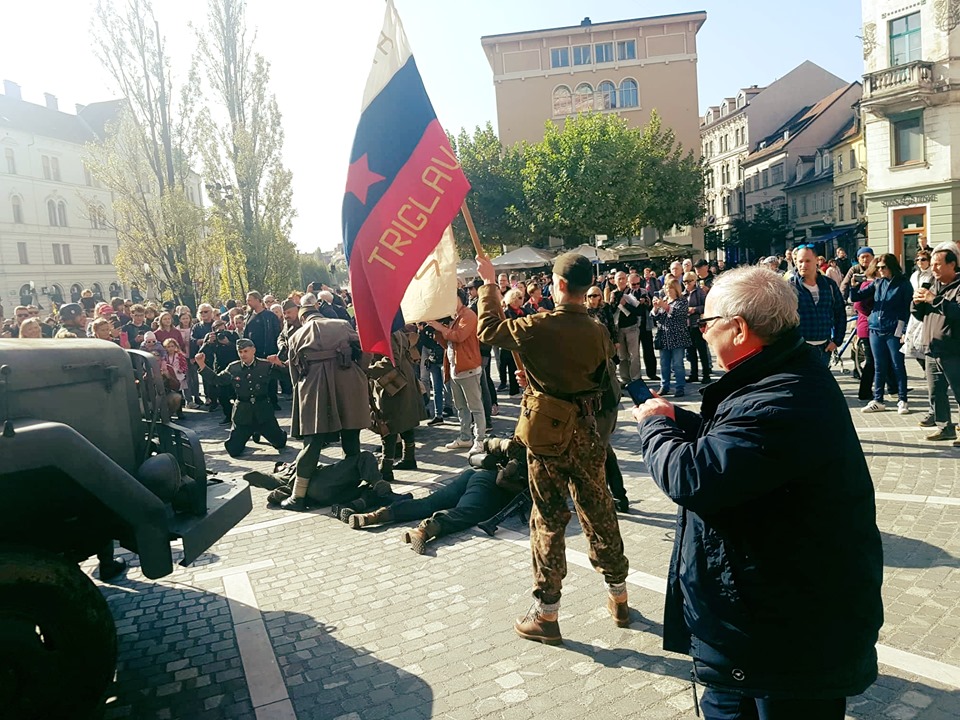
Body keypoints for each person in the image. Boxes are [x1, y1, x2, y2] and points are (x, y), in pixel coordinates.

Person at [633, 266, 883, 718]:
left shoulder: (783, 393)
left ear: (739, 328)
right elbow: (738, 448)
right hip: (755, 628)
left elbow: (695, 476)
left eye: (706, 324)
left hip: (788, 641)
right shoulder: (777, 373)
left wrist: (653, 425)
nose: (703, 334)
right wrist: (681, 420)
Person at [476, 251, 630, 644]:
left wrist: (490, 284)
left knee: (547, 520)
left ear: (558, 285)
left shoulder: (538, 326)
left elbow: (488, 329)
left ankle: (547, 615)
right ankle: (619, 596)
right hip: (589, 432)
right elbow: (607, 384)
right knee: (599, 509)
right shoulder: (597, 329)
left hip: (547, 435)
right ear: (583, 287)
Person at [345, 439, 527, 554]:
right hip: (491, 483)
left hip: (474, 472)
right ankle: (425, 529)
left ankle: (377, 515)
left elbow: (489, 443)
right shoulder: (540, 451)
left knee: (429, 503)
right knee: (466, 512)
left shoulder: (521, 437)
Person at [283, 306, 371, 510]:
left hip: (314, 389)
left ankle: (298, 496)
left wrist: (302, 391)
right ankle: (350, 485)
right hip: (347, 383)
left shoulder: (296, 336)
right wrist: (361, 370)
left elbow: (294, 375)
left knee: (312, 443)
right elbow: (365, 348)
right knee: (351, 437)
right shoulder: (342, 325)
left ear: (303, 317)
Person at [196, 338, 287, 458]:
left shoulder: (265, 365)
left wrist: (279, 363)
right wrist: (202, 364)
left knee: (280, 443)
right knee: (233, 450)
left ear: (253, 350)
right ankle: (250, 433)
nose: (243, 354)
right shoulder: (234, 368)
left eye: (246, 351)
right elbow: (217, 380)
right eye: (240, 352)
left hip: (263, 411)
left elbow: (286, 377)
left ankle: (261, 432)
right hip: (243, 414)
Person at [850, 254, 913, 414]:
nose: (880, 270)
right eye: (878, 267)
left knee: (898, 364)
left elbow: (908, 309)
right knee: (879, 365)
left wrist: (905, 330)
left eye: (883, 267)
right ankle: (878, 399)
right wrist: (854, 285)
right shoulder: (878, 283)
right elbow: (856, 297)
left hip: (894, 329)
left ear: (891, 266)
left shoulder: (904, 284)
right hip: (875, 328)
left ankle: (902, 399)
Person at [428, 289, 486, 454]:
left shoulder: (468, 315)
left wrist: (441, 327)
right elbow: (450, 344)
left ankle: (480, 440)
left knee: (475, 406)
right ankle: (465, 437)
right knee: (461, 406)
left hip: (468, 368)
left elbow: (459, 336)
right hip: (455, 368)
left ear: (459, 299)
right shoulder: (456, 318)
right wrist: (437, 332)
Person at [912, 245, 960, 445]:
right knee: (936, 392)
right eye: (932, 265)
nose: (934, 269)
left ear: (952, 265)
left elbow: (957, 312)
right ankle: (944, 427)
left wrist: (935, 300)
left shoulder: (958, 286)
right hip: (931, 348)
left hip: (953, 350)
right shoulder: (932, 284)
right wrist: (916, 303)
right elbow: (919, 315)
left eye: (938, 265)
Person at [367, 329, 427, 481]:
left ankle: (386, 469)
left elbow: (392, 360)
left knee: (389, 425)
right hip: (404, 380)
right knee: (405, 422)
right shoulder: (397, 331)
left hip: (395, 385)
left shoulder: (388, 333)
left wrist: (368, 370)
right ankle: (409, 458)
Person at [790, 246, 847, 367]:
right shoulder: (790, 287)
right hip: (799, 349)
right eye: (800, 261)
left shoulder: (829, 285)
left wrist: (837, 341)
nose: (803, 265)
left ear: (817, 261)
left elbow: (840, 313)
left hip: (824, 348)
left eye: (807, 261)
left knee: (820, 384)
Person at [652, 278, 691, 397]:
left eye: (670, 288)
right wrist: (655, 308)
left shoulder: (682, 301)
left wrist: (664, 305)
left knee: (678, 364)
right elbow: (654, 317)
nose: (668, 290)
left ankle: (680, 387)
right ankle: (664, 386)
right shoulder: (664, 300)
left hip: (677, 337)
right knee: (664, 364)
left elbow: (677, 313)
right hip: (664, 337)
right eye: (666, 288)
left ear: (676, 289)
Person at [683, 271, 712, 384]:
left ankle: (706, 374)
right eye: (684, 282)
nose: (687, 284)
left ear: (694, 281)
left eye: (689, 281)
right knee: (691, 352)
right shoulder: (683, 294)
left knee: (702, 351)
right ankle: (693, 373)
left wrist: (695, 309)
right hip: (687, 325)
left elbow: (706, 306)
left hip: (697, 324)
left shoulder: (700, 292)